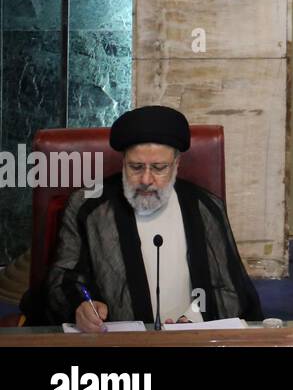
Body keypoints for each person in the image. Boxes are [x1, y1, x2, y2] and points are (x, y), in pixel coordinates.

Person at [37, 105, 263, 330]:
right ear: (123, 161)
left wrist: (193, 318)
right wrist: (81, 305)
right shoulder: (89, 206)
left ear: (176, 165)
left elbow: (229, 289)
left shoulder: (205, 207)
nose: (146, 179)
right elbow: (63, 278)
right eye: (135, 167)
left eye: (158, 168)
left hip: (191, 340)